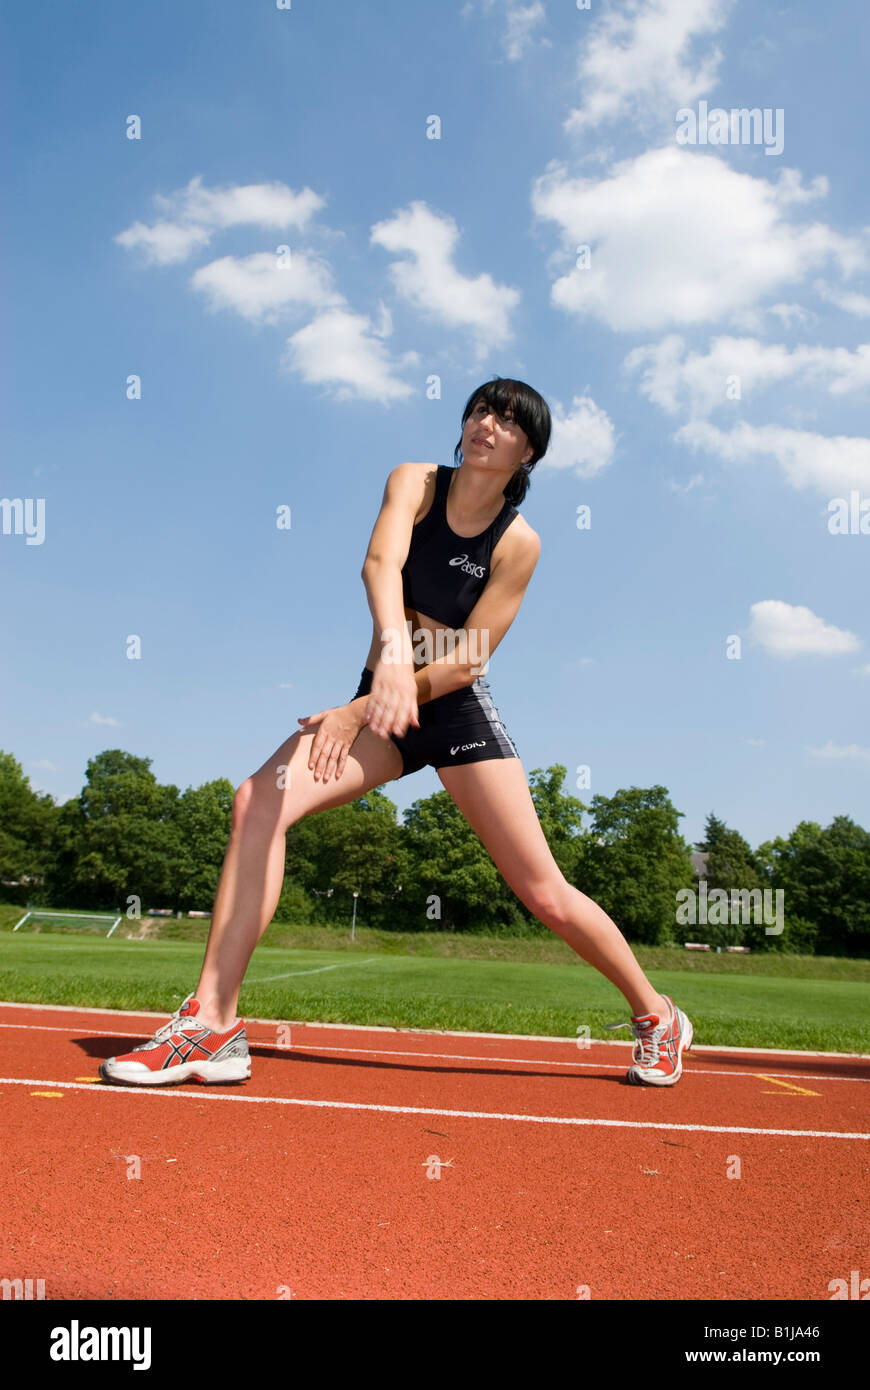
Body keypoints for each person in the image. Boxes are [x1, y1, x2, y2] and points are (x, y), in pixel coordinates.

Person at [100, 377, 693, 1089]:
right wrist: (385, 660)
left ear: (528, 452)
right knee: (259, 801)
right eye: (481, 409)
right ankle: (212, 1025)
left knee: (543, 891)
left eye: (508, 421)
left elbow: (471, 656)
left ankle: (656, 1014)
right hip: (383, 699)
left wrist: (370, 702)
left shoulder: (519, 543)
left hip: (452, 708)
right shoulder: (414, 480)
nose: (487, 424)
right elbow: (380, 563)